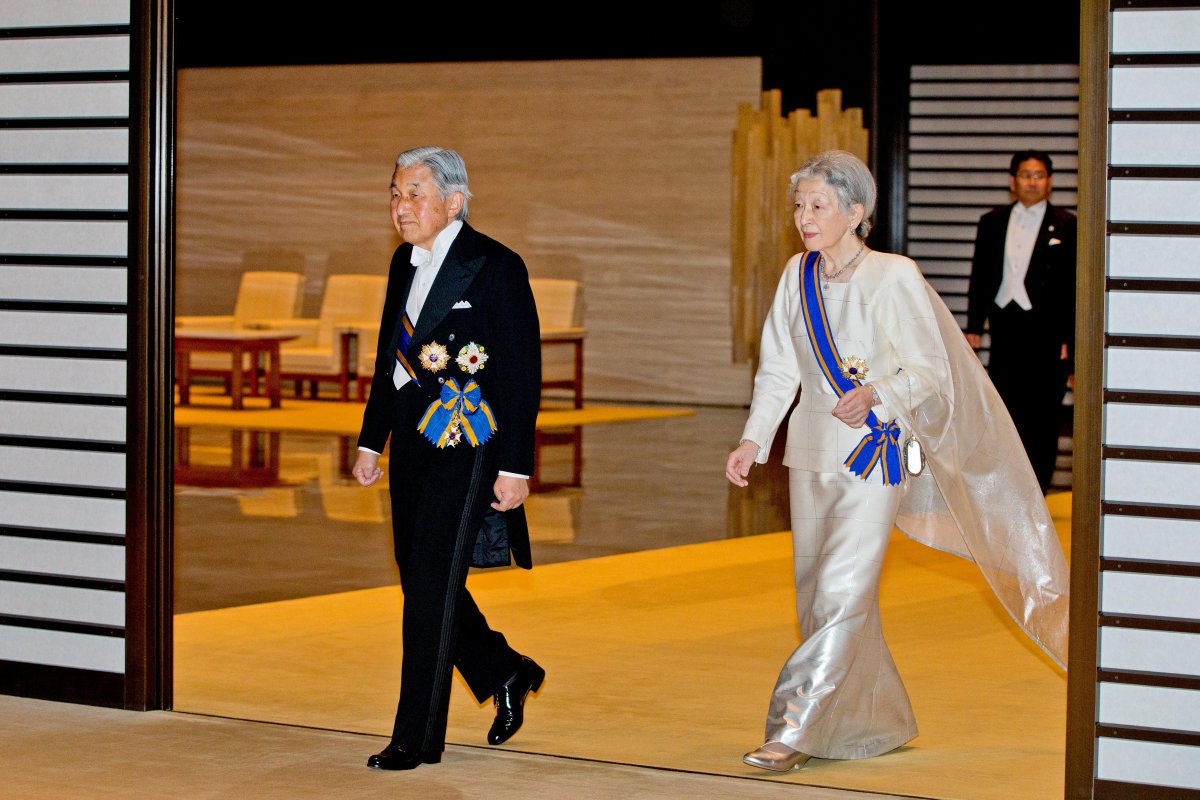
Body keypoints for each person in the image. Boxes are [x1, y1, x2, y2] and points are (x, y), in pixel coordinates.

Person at [725, 150, 1069, 773]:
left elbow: (932, 369)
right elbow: (777, 368)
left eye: (818, 206)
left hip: (871, 456)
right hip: (807, 452)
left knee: (842, 591)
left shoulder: (895, 275)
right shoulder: (794, 276)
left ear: (856, 212)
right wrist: (754, 439)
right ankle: (874, 722)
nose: (804, 218)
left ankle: (793, 728)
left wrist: (877, 391)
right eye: (799, 206)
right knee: (816, 598)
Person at [352, 146, 545, 771]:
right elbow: (390, 358)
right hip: (411, 444)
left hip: (468, 446)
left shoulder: (494, 267)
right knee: (425, 581)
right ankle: (506, 670)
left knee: (430, 590)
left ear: (453, 202)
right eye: (395, 193)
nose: (400, 207)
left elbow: (520, 374)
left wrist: (516, 466)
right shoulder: (401, 265)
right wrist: (369, 440)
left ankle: (415, 736)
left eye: (414, 194)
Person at [965, 149, 1077, 494]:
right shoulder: (992, 221)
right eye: (1025, 175)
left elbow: (1075, 285)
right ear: (1012, 182)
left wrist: (1071, 341)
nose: (1032, 181)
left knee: (1043, 413)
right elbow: (980, 275)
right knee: (1005, 409)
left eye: (1039, 175)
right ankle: (1007, 488)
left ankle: (1038, 488)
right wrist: (973, 325)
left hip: (1048, 329)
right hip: (1005, 324)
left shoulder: (1069, 224)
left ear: (1050, 182)